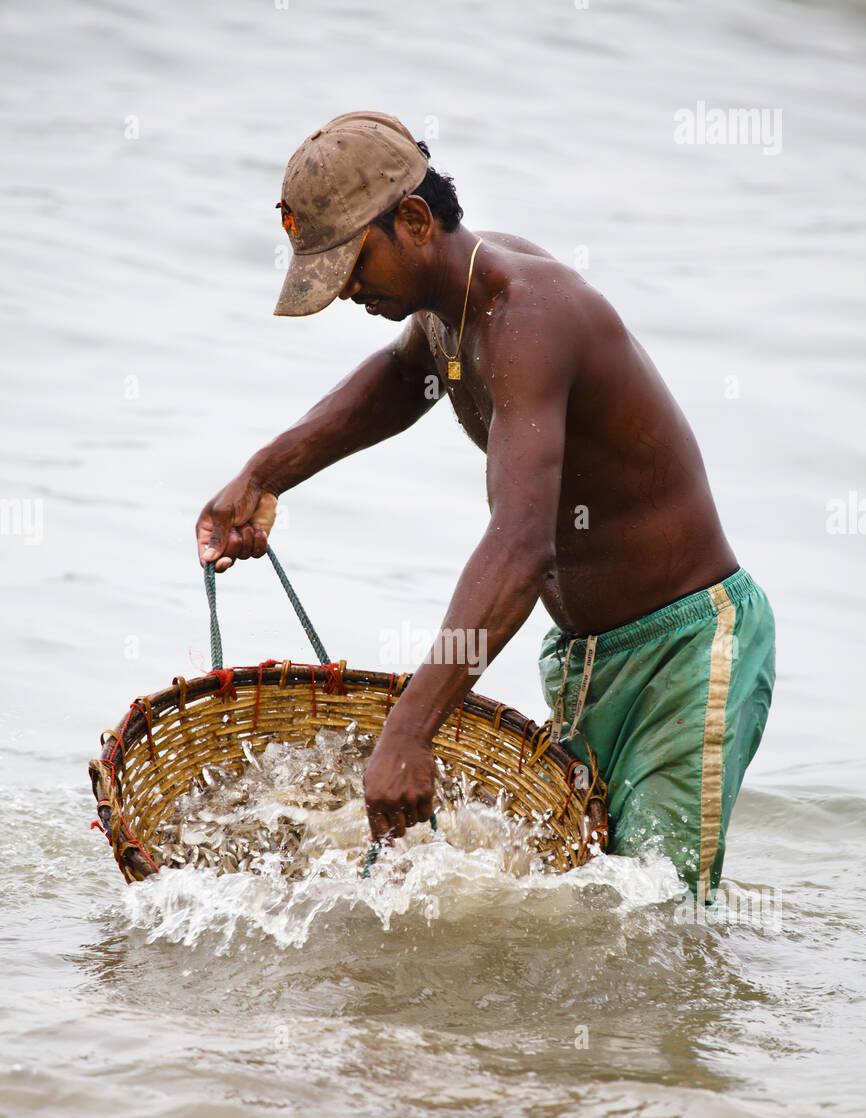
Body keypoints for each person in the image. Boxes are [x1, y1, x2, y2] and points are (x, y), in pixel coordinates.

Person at [195, 110, 775, 901]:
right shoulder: (449, 303)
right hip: (586, 660)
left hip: (685, 652)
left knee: (661, 916)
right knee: (598, 907)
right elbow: (403, 383)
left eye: (350, 266)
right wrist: (265, 473)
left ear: (413, 220)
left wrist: (408, 732)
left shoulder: (529, 317)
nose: (344, 293)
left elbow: (522, 543)